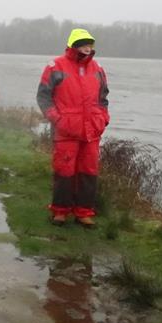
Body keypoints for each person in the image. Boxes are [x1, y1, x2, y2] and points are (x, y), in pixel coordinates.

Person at [36, 28, 109, 227]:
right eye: (83, 43)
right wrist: (56, 119)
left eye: (90, 44)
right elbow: (43, 96)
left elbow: (103, 98)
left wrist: (103, 119)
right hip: (65, 130)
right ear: (74, 45)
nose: (88, 47)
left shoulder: (97, 69)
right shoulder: (55, 66)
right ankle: (60, 211)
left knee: (88, 171)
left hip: (91, 131)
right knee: (64, 171)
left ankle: (84, 211)